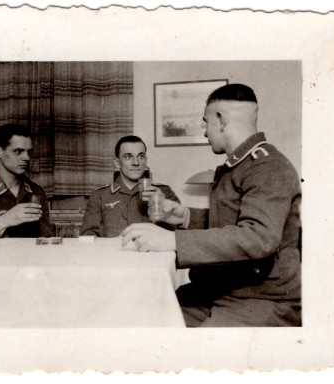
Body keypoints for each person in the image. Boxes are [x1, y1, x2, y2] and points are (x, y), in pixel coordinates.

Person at [121, 84, 302, 327]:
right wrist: (185, 216)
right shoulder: (242, 165)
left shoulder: (268, 167)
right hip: (223, 290)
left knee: (192, 349)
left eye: (206, 122)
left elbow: (258, 237)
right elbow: (234, 221)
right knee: (149, 314)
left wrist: (173, 241)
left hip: (261, 298)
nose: (205, 131)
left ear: (222, 120)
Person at [80, 135, 180, 237]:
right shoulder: (100, 196)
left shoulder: (163, 192)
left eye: (140, 156)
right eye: (128, 156)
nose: (136, 163)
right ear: (117, 163)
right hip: (115, 252)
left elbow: (181, 232)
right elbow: (88, 237)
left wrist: (163, 209)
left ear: (145, 161)